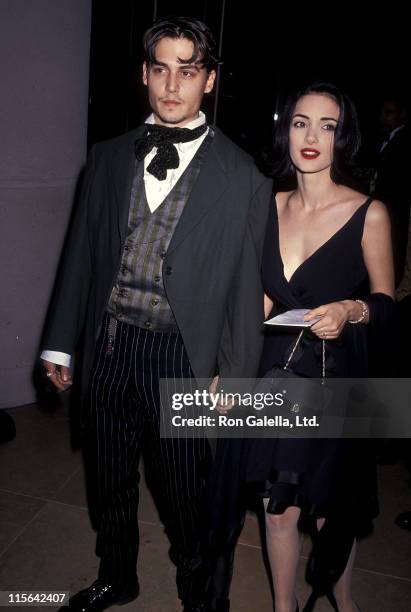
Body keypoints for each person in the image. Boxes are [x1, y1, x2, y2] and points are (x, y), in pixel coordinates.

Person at [40, 16, 271, 612]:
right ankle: (118, 575)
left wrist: (236, 378)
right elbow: (81, 256)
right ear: (144, 74)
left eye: (188, 71)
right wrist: (60, 342)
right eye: (161, 69)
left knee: (185, 495)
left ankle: (199, 593)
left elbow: (246, 291)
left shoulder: (243, 176)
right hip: (113, 347)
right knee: (108, 481)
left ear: (210, 81)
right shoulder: (108, 157)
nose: (172, 85)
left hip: (183, 360)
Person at [210, 82, 395, 612]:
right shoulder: (265, 205)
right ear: (284, 130)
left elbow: (385, 303)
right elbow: (263, 298)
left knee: (329, 509)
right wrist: (231, 367)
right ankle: (282, 608)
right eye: (300, 123)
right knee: (277, 508)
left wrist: (348, 309)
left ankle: (342, 597)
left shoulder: (369, 212)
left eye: (327, 126)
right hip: (275, 373)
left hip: (334, 376)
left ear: (343, 138)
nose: (311, 136)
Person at [372, 95, 409, 286]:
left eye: (389, 113)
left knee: (393, 249)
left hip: (395, 206)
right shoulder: (384, 138)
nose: (383, 117)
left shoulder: (404, 141)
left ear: (402, 115)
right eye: (382, 112)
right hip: (383, 204)